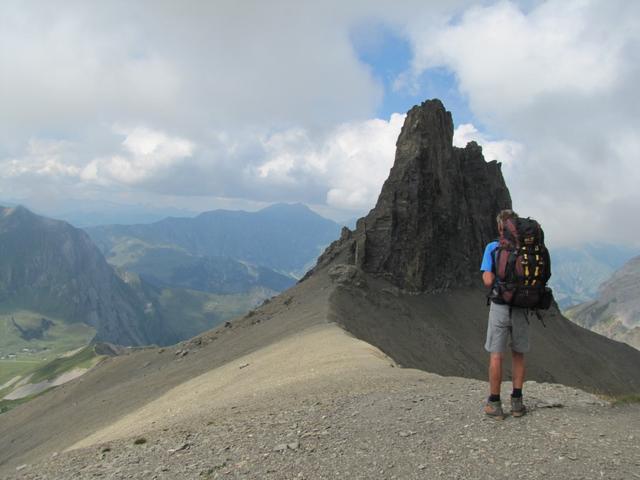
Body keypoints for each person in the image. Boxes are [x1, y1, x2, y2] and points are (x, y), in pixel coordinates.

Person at [480, 209, 527, 419]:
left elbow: (488, 280)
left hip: (500, 304)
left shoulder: (493, 247)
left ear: (500, 226)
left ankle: (495, 403)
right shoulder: (526, 247)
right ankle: (517, 403)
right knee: (518, 353)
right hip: (522, 305)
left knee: (496, 354)